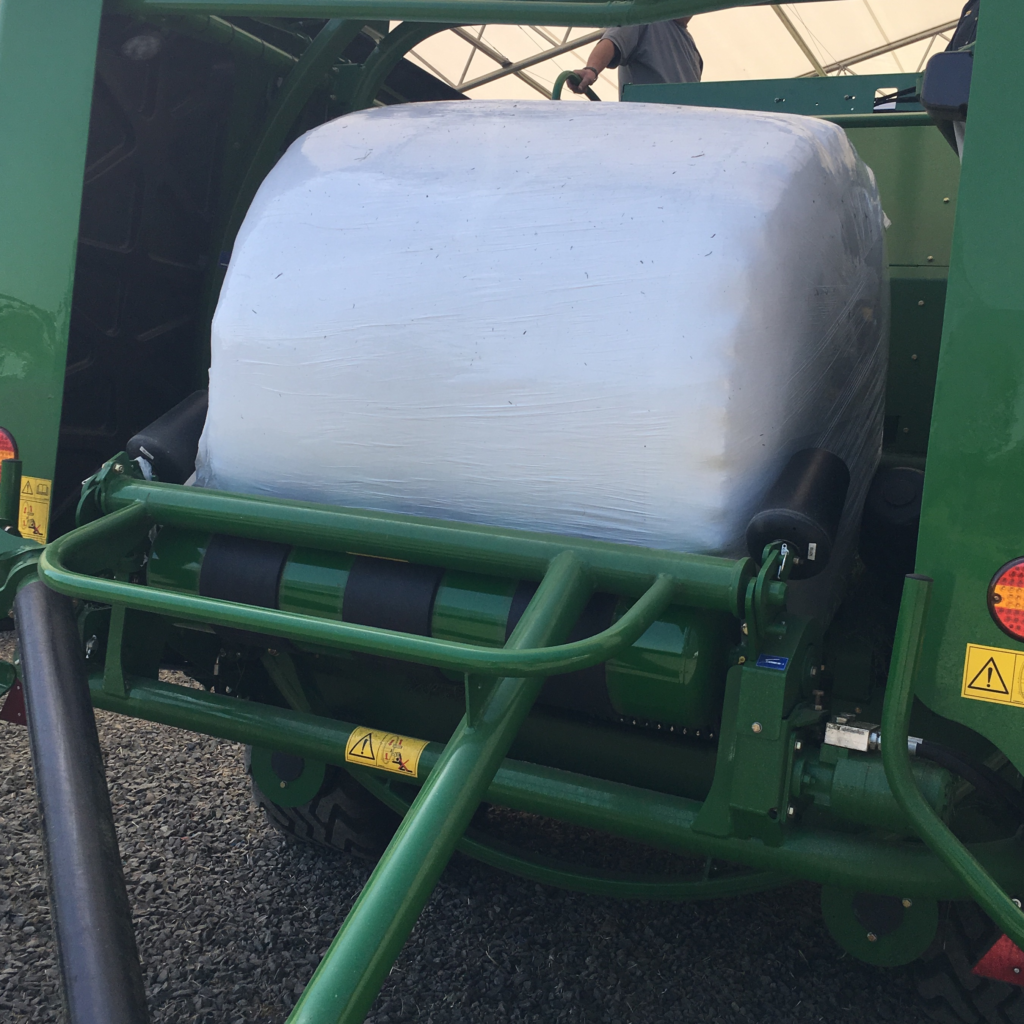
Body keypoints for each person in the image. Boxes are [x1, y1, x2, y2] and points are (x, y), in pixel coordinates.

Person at [569, 17, 702, 97]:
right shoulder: (646, 18)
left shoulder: (695, 53)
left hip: (681, 135)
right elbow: (611, 42)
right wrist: (591, 69)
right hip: (645, 128)